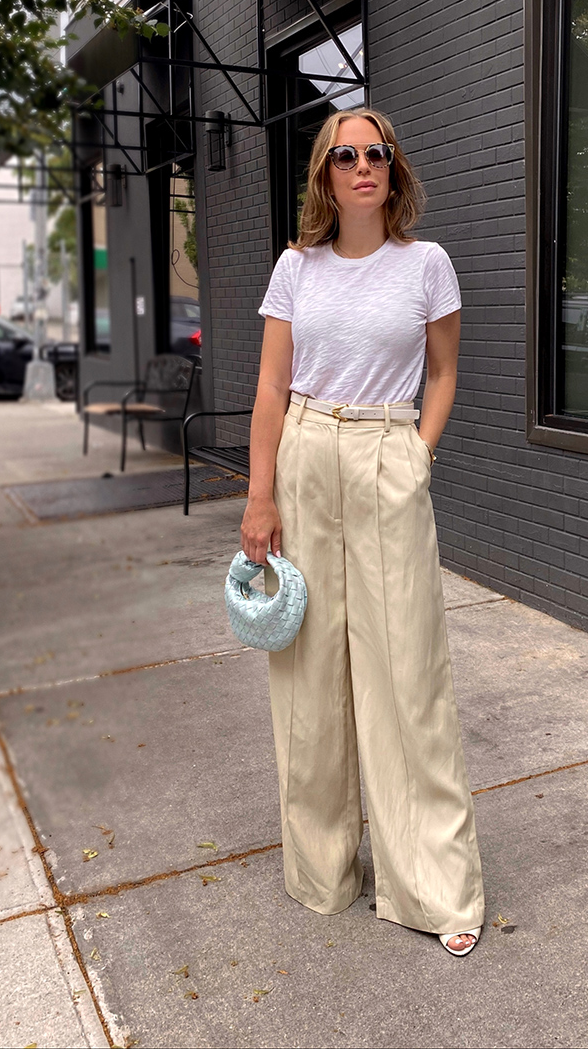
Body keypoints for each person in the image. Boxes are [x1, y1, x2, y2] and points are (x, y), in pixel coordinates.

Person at [240, 107, 484, 955]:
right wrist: (259, 495)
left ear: (393, 167)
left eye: (375, 151)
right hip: (305, 453)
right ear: (325, 174)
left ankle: (435, 887)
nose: (361, 165)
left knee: (407, 673)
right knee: (308, 675)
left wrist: (416, 455)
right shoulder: (294, 268)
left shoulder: (427, 264)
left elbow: (446, 371)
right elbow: (270, 389)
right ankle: (322, 870)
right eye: (344, 154)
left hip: (386, 450)